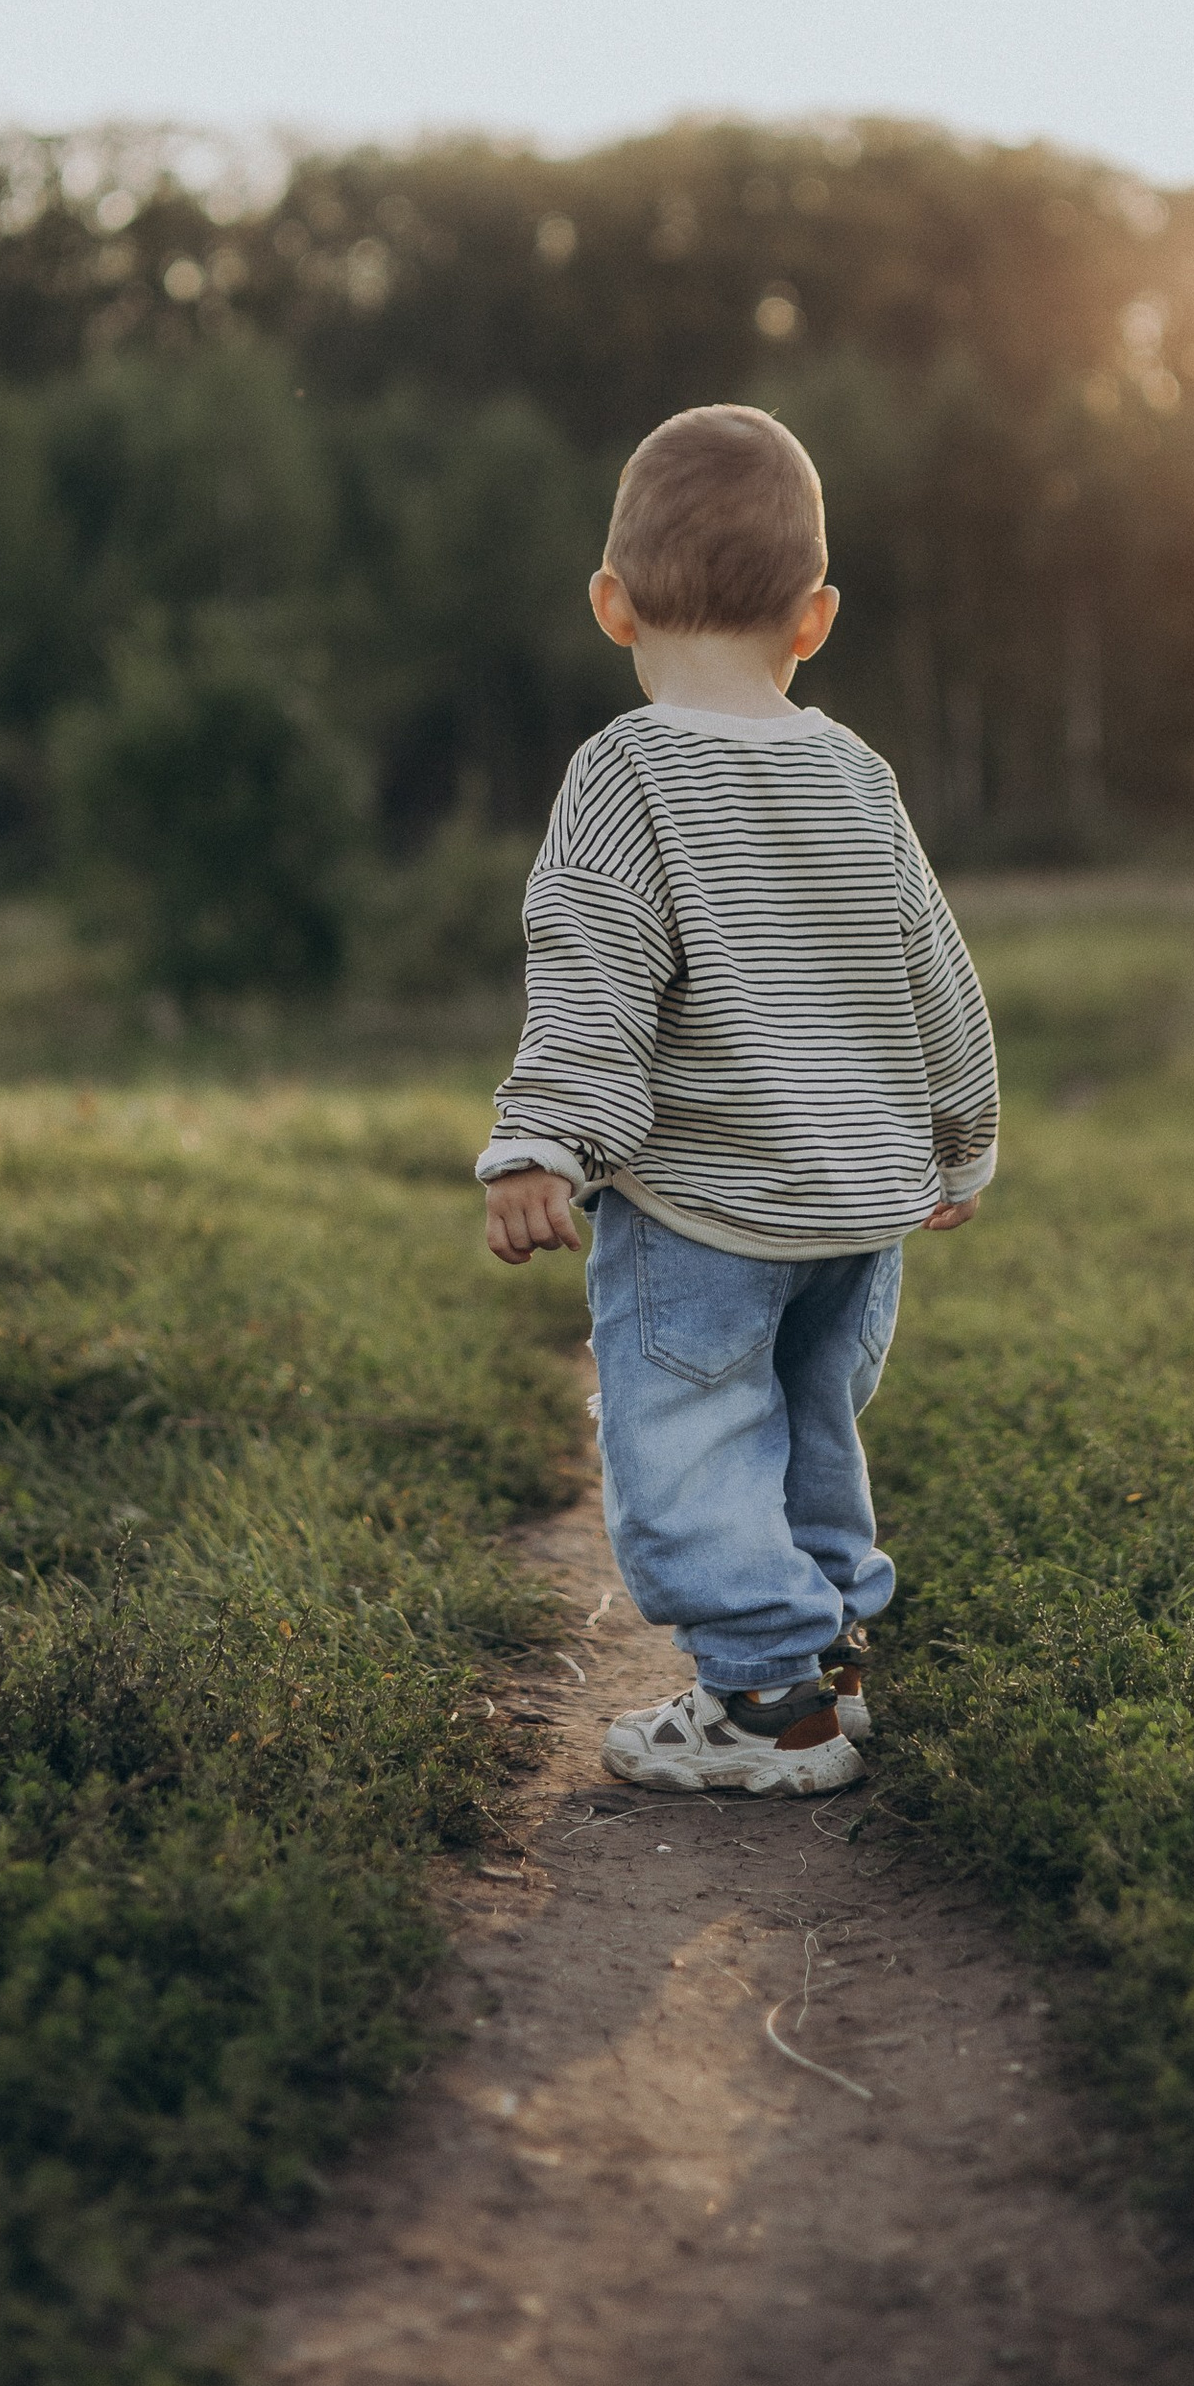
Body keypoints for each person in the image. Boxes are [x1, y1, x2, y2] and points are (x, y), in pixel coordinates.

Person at [476, 403, 997, 1796]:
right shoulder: (857, 774)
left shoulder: (625, 772)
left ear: (612, 603)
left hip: (704, 1202)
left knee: (689, 1440)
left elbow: (592, 971)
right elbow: (934, 968)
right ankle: (830, 1663)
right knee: (813, 1429)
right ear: (814, 620)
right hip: (858, 1214)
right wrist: (962, 1136)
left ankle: (766, 1704)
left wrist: (542, 1143)